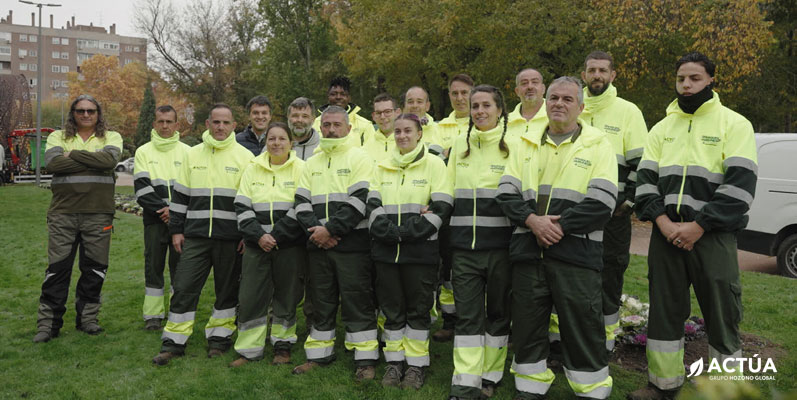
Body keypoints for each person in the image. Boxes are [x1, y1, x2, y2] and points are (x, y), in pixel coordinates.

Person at [629, 52, 758, 400]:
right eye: (681, 79)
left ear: (711, 80)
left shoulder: (734, 125)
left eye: (695, 78)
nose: (686, 85)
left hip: (712, 237)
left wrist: (698, 226)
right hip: (665, 234)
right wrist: (665, 223)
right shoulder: (662, 128)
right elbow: (644, 183)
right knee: (664, 312)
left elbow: (739, 188)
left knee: (722, 314)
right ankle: (662, 386)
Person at [497, 76, 617, 399]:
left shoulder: (598, 145)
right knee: (527, 327)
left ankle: (591, 390)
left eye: (567, 99)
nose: (559, 104)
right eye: (553, 98)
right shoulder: (525, 142)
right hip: (528, 254)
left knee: (582, 329)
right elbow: (505, 192)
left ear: (580, 106)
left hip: (576, 256)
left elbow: (603, 202)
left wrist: (557, 228)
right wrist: (532, 221)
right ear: (545, 103)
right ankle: (529, 387)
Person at [152, 104, 254, 365]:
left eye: (226, 123)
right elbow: (180, 196)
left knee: (226, 290)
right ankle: (173, 342)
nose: (220, 127)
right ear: (207, 124)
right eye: (216, 122)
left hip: (231, 238)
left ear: (233, 126)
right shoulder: (192, 155)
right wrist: (176, 230)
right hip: (195, 236)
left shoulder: (245, 157)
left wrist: (245, 234)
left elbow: (249, 200)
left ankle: (219, 340)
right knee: (184, 287)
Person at [291, 106, 377, 381]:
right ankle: (318, 355)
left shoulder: (360, 158)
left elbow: (360, 200)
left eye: (336, 125)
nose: (330, 129)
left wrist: (329, 230)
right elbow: (301, 202)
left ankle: (365, 359)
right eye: (326, 124)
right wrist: (318, 233)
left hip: (351, 246)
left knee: (357, 301)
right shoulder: (311, 163)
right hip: (318, 246)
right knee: (320, 302)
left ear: (348, 129)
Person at [368, 113, 453, 389]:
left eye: (408, 131)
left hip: (420, 254)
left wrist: (405, 233)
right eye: (398, 131)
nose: (402, 136)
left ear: (420, 134)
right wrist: (390, 232)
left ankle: (416, 366)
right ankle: (394, 364)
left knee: (418, 311)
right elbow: (372, 205)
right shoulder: (381, 166)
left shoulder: (435, 165)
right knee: (392, 310)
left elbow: (441, 207)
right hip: (386, 254)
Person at [34, 94, 123, 342]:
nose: (86, 115)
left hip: (98, 215)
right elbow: (53, 164)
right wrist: (94, 162)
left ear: (98, 114)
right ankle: (47, 325)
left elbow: (109, 160)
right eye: (81, 110)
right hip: (63, 215)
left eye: (91, 111)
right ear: (73, 113)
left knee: (94, 270)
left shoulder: (112, 137)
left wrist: (71, 155)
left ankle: (88, 320)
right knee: (57, 270)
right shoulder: (57, 136)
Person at [575, 51, 648, 353]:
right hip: (574, 212)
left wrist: (627, 204)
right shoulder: (570, 106)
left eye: (603, 71)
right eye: (592, 70)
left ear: (613, 75)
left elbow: (643, 164)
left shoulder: (628, 112)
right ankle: (571, 334)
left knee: (610, 271)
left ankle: (605, 341)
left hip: (613, 215)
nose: (597, 76)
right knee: (573, 272)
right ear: (583, 74)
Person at [447, 85, 516, 399]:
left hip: (501, 248)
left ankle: (490, 377)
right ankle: (465, 381)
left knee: (498, 314)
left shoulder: (514, 147)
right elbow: (446, 194)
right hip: (464, 250)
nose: (479, 111)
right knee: (468, 316)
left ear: (499, 110)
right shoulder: (459, 149)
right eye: (475, 106)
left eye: (486, 105)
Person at [230, 122, 307, 367]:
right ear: (266, 142)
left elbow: (302, 206)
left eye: (282, 139)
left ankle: (282, 347)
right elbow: (242, 207)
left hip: (289, 246)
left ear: (290, 143)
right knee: (251, 295)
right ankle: (249, 350)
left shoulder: (302, 169)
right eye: (272, 139)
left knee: (287, 296)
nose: (276, 143)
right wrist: (259, 236)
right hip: (256, 245)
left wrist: (277, 236)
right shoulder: (252, 168)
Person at [133, 105, 190, 331]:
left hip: (181, 223)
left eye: (169, 122)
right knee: (154, 266)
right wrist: (165, 210)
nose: (165, 126)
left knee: (180, 268)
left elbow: (192, 187)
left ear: (177, 125)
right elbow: (142, 189)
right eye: (160, 122)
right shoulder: (143, 152)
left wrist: (175, 212)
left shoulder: (188, 152)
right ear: (154, 124)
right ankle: (153, 315)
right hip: (155, 221)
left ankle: (177, 310)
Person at [433, 73, 475, 343]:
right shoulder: (440, 127)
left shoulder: (485, 119)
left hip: (478, 205)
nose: (460, 98)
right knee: (449, 267)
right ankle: (450, 319)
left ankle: (478, 318)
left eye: (464, 93)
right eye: (455, 93)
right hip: (450, 206)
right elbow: (436, 160)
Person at [312, 76, 376, 147]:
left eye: (343, 94)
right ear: (328, 97)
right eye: (334, 94)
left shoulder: (365, 126)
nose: (338, 97)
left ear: (349, 98)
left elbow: (370, 154)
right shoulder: (314, 125)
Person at [507, 68, 548, 137]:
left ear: (543, 89)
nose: (530, 87)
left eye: (535, 82)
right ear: (517, 91)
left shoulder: (556, 116)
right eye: (524, 83)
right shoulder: (504, 123)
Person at [403, 86, 444, 156]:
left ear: (427, 106)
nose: (415, 105)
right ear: (405, 105)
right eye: (410, 102)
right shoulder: (395, 132)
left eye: (419, 102)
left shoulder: (441, 130)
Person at [365, 93, 401, 161]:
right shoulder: (365, 148)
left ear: (397, 113)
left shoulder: (409, 144)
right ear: (373, 116)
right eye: (378, 113)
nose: (382, 117)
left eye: (387, 112)